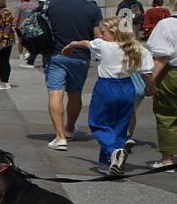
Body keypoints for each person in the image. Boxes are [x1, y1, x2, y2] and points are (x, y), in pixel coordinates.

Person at [62, 16, 154, 175]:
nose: (100, 35)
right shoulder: (139, 49)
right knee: (119, 126)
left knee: (99, 123)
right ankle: (108, 163)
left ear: (113, 32)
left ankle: (114, 152)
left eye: (103, 32)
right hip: (127, 88)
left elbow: (85, 43)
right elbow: (147, 75)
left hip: (106, 87)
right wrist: (152, 90)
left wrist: (72, 44)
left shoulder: (103, 46)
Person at [44, 0, 101, 150]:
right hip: (81, 57)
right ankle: (69, 128)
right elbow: (98, 37)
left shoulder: (52, 5)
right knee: (75, 94)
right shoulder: (92, 8)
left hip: (57, 55)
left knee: (56, 93)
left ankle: (60, 137)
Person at [144, 0, 177, 171]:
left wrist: (149, 83)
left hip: (172, 74)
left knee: (167, 115)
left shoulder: (168, 24)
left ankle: (167, 160)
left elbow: (161, 57)